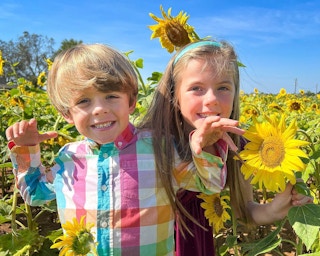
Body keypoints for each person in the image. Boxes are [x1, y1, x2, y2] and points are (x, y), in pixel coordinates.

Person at [5, 43, 244, 255]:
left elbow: (210, 184)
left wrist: (201, 149)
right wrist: (26, 150)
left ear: (130, 101)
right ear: (67, 113)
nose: (99, 109)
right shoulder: (69, 158)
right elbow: (35, 194)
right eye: (83, 101)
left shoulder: (159, 149)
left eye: (110, 96)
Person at [138, 40, 313, 255]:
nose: (211, 99)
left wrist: (274, 210)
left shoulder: (240, 148)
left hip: (198, 243)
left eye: (223, 88)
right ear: (175, 96)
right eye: (196, 88)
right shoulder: (148, 146)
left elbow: (245, 210)